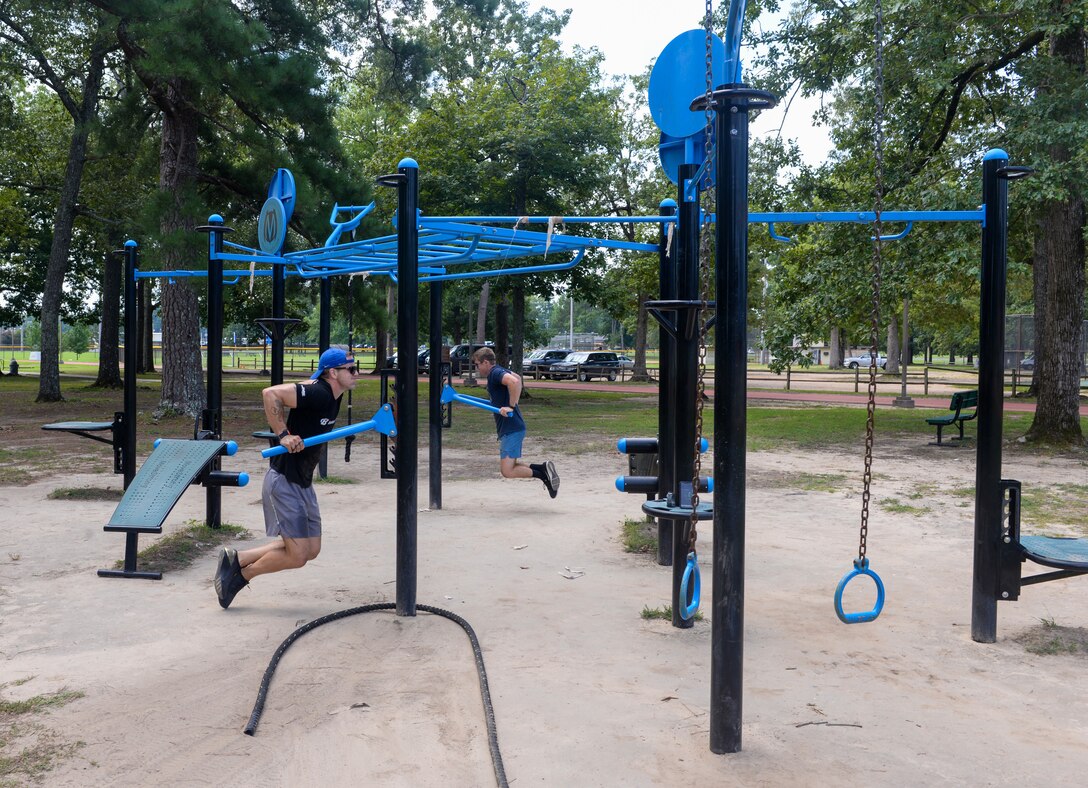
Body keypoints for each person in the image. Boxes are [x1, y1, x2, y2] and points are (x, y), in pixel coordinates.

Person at [214, 346, 360, 609]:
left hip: (303, 481)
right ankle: (239, 577)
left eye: (355, 367)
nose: (356, 373)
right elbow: (270, 393)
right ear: (333, 373)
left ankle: (236, 558)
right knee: (298, 555)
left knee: (311, 549)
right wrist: (283, 434)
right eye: (350, 369)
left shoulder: (333, 394)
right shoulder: (318, 392)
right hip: (284, 480)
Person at [471, 346, 559, 498]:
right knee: (511, 466)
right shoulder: (498, 371)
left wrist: (511, 406)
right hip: (512, 428)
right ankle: (543, 469)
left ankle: (544, 475)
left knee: (507, 471)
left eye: (477, 364)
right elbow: (517, 378)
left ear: (485, 362)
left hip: (511, 428)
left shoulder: (494, 373)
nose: (476, 368)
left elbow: (513, 381)